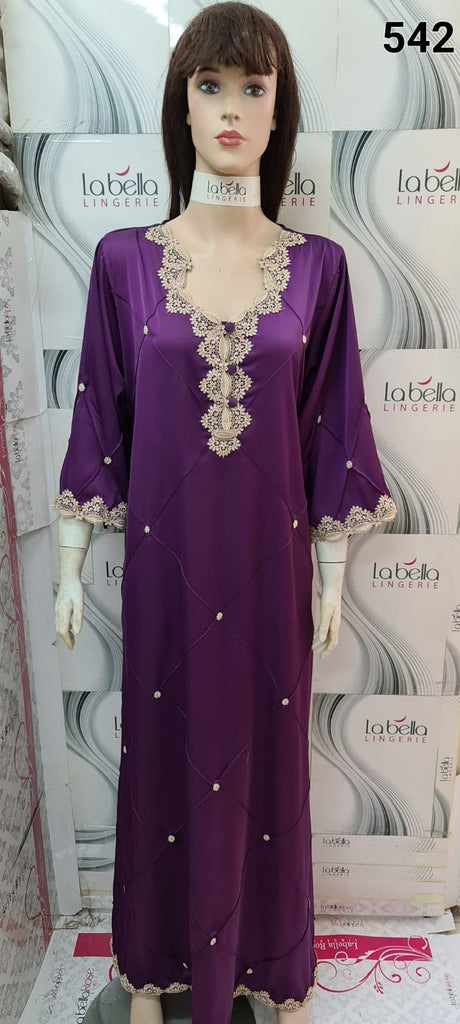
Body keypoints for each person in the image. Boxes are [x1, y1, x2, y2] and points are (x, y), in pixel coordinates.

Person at [53, 4, 396, 1024]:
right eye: (210, 86)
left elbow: (333, 427)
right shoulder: (124, 261)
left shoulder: (318, 269)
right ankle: (151, 973)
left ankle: (272, 973)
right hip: (164, 573)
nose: (232, 108)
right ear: (182, 106)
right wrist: (69, 565)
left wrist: (330, 579)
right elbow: (98, 417)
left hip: (272, 573)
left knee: (271, 770)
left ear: (279, 110)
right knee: (161, 760)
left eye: (254, 88)